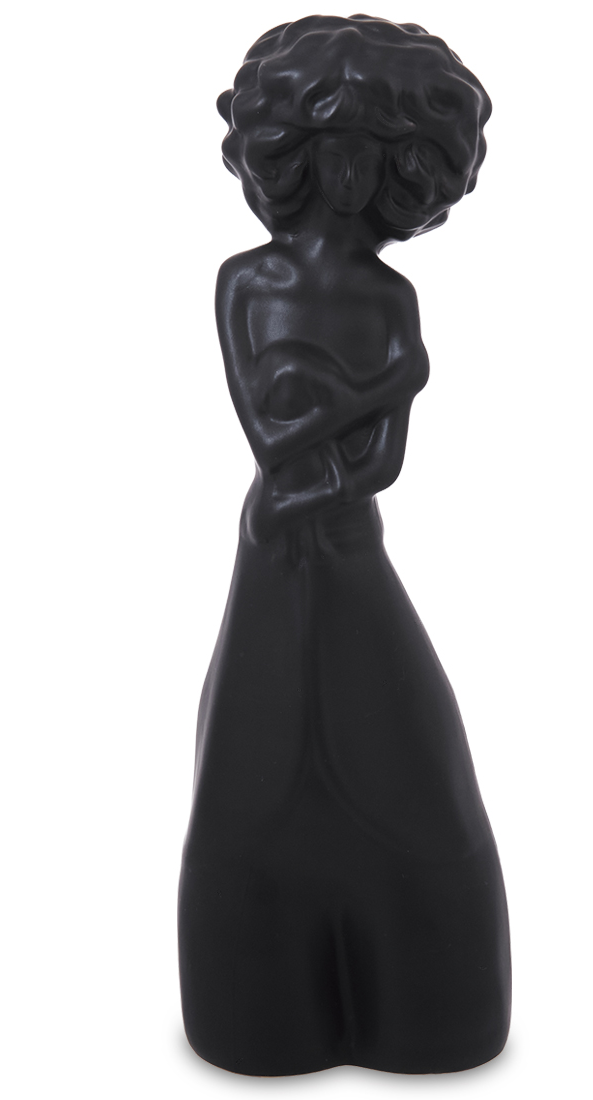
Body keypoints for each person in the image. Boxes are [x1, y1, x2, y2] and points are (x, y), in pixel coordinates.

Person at [178, 15, 510, 1075]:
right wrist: (371, 393)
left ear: (411, 166)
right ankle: (258, 972)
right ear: (292, 152)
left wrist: (334, 448)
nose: (354, 175)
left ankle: (422, 965)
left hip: (339, 536)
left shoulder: (388, 296)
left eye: (378, 153)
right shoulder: (246, 283)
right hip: (275, 539)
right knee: (254, 749)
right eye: (334, 150)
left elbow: (382, 463)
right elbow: (268, 432)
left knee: (407, 748)